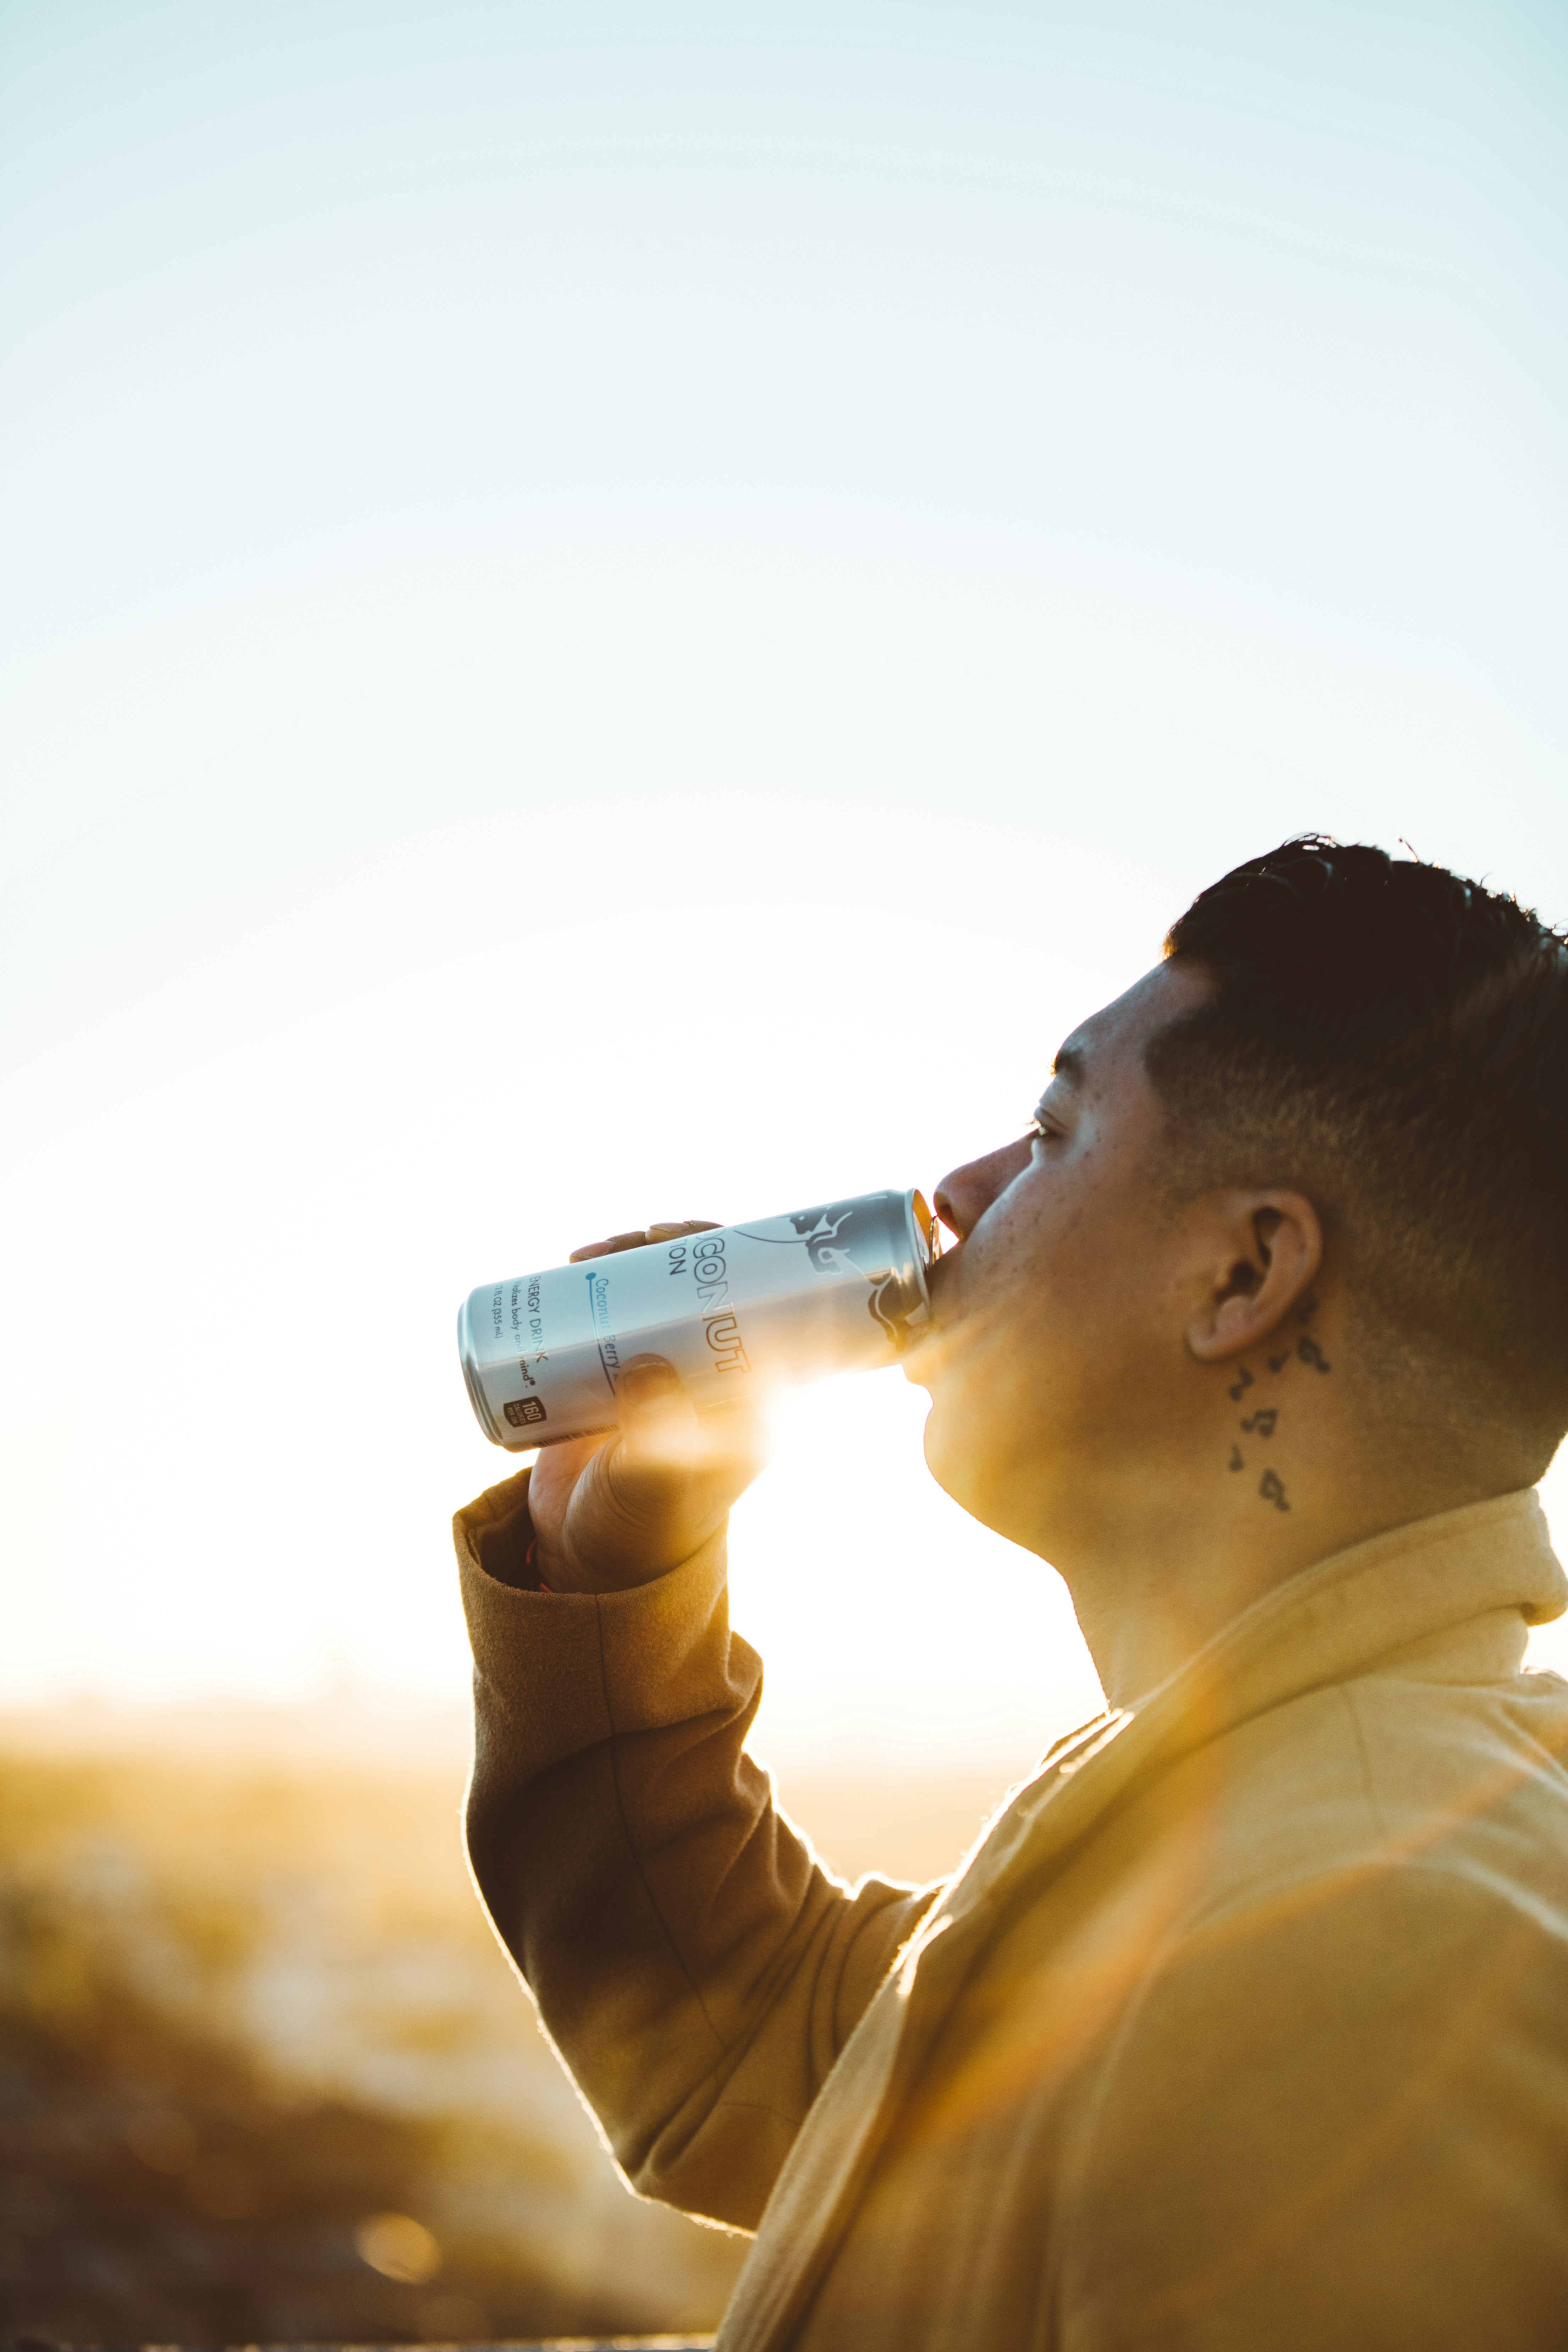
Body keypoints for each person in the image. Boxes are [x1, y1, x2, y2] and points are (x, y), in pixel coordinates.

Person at [453, 837, 1568, 2350]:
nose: (959, 1191)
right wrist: (616, 1565)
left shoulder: (1354, 1951)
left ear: (1244, 1275)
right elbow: (750, 2053)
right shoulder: (1278, 1818)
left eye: (1051, 1129)